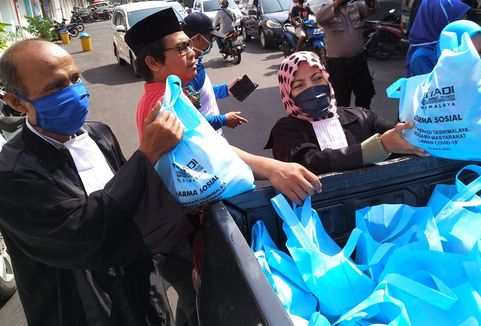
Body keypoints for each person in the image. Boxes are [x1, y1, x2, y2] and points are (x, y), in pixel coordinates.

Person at [0, 38, 194, 325]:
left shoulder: (98, 134)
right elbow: (85, 236)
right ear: (16, 102)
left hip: (140, 294)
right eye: (55, 87)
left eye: (75, 78)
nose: (74, 92)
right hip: (82, 312)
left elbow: (136, 201)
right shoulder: (12, 173)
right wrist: (147, 155)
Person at [126, 9, 321, 202]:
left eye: (189, 45)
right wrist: (274, 169)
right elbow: (216, 154)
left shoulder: (161, 94)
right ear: (153, 63)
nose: (192, 52)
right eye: (181, 48)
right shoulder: (166, 105)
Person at [265, 51, 428, 175]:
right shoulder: (285, 131)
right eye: (299, 85)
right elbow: (311, 163)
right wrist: (379, 147)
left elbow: (400, 136)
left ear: (327, 80)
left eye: (316, 78)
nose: (311, 88)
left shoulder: (361, 116)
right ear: (287, 93)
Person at [182, 12, 248, 133]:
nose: (211, 42)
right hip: (204, 142)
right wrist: (224, 120)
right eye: (210, 38)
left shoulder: (197, 64)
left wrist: (226, 89)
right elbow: (193, 120)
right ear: (197, 38)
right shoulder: (188, 73)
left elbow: (201, 94)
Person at [316, 0, 377, 110]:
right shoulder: (327, 9)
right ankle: (345, 125)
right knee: (341, 101)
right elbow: (319, 18)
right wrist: (337, 3)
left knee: (365, 95)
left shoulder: (356, 7)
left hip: (359, 61)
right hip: (338, 65)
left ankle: (364, 121)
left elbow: (372, 9)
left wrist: (371, 3)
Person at [405, 0, 470, 77]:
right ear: (440, 20)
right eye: (457, 20)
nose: (464, 25)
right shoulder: (421, 58)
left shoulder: (454, 46)